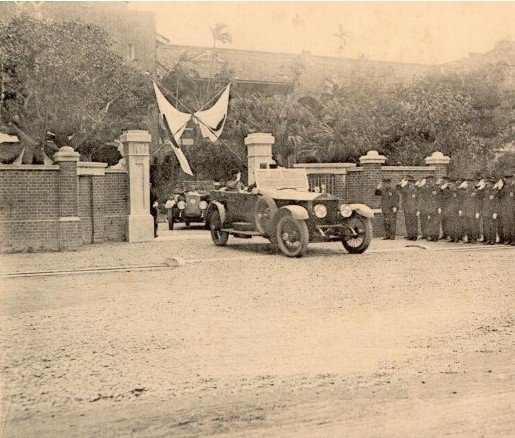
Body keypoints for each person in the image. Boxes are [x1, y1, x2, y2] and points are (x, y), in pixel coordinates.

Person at [418, 175, 441, 241]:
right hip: (429, 208)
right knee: (430, 222)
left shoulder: (437, 189)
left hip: (436, 208)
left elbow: (439, 198)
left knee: (436, 223)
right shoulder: (425, 189)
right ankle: (430, 236)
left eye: (430, 181)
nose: (428, 182)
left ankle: (436, 237)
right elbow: (423, 199)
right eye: (427, 181)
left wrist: (439, 207)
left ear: (433, 181)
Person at [397, 175, 418, 240]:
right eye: (408, 182)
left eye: (410, 182)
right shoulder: (406, 188)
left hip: (413, 208)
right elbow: (398, 189)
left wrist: (417, 209)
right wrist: (399, 184)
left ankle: (414, 236)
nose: (409, 184)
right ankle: (410, 235)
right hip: (407, 207)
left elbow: (417, 200)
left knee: (413, 222)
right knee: (408, 222)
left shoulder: (414, 189)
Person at [496, 174, 515, 245]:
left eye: (507, 179)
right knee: (506, 225)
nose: (506, 181)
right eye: (505, 179)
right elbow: (498, 196)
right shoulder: (505, 188)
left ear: (511, 179)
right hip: (505, 209)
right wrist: (500, 188)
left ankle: (513, 240)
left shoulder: (513, 188)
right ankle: (507, 239)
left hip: (512, 209)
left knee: (513, 225)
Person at [481, 178, 498, 245]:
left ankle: (492, 240)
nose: (487, 185)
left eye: (488, 183)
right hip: (485, 211)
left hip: (491, 212)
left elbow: (497, 203)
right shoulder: (485, 192)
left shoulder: (495, 192)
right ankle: (488, 239)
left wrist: (495, 212)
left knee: (492, 227)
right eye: (486, 183)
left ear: (492, 184)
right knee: (486, 227)